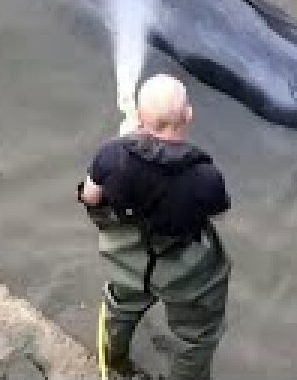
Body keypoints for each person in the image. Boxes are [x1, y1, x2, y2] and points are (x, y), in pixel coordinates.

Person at [78, 74, 231, 380]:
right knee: (197, 338)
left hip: (127, 259)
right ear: (188, 114)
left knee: (119, 307)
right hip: (187, 273)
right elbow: (218, 211)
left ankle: (113, 363)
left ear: (138, 115)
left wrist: (124, 145)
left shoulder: (111, 156)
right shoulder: (205, 176)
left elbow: (90, 197)